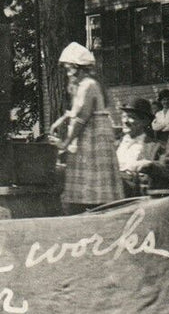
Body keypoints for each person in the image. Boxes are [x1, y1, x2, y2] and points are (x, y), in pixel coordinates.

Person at [49, 42, 122, 213]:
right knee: (92, 180)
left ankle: (90, 207)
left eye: (69, 69)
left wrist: (65, 143)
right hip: (94, 134)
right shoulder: (88, 84)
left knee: (91, 179)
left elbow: (81, 118)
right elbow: (76, 111)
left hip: (92, 137)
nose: (68, 74)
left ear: (78, 68)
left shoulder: (87, 85)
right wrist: (62, 119)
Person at [116, 98, 163, 196]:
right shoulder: (114, 145)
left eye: (131, 117)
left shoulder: (155, 147)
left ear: (145, 121)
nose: (125, 121)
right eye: (123, 116)